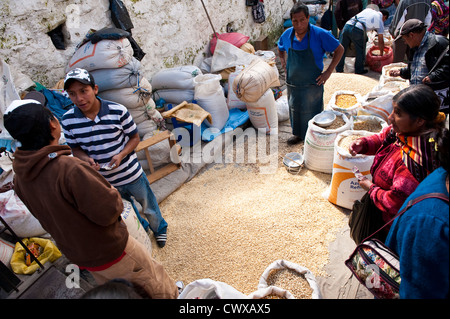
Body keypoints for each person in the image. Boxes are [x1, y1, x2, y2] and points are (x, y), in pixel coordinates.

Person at [3, 100, 178, 298]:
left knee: (119, 291)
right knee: (153, 283)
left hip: (83, 255)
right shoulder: (69, 169)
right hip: (110, 249)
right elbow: (109, 211)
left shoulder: (21, 177)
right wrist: (108, 187)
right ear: (53, 124)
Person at [60, 68, 168, 248]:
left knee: (147, 203)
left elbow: (134, 138)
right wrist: (85, 159)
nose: (79, 98)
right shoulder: (68, 120)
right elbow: (75, 149)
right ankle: (143, 229)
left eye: (83, 91)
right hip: (104, 180)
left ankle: (159, 229)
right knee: (126, 209)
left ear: (95, 89)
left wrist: (121, 155)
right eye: (72, 94)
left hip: (131, 173)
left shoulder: (117, 111)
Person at [348, 85, 446, 237]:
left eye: (398, 113)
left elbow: (394, 203)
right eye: (393, 110)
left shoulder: (414, 163)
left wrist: (371, 188)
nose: (390, 117)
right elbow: (383, 138)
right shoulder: (402, 132)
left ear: (419, 121)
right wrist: (364, 144)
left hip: (389, 225)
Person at [385, 127, 449, 299]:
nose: (390, 119)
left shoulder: (442, 172)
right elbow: (418, 291)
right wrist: (372, 190)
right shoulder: (431, 223)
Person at [278, 2, 344, 145]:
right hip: (294, 84)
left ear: (308, 18)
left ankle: (314, 137)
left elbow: (340, 49)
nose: (299, 24)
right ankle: (298, 135)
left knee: (313, 110)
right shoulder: (287, 34)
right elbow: (280, 47)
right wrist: (283, 61)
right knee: (295, 109)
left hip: (313, 83)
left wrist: (328, 72)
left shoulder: (320, 34)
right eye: (295, 21)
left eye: (302, 20)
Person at [388, 19, 449, 112]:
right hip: (419, 98)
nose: (405, 42)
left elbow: (447, 67)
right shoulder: (414, 47)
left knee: (434, 124)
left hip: (435, 98)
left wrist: (433, 77)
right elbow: (414, 69)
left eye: (405, 39)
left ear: (412, 35)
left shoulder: (439, 43)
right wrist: (401, 72)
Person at [335, 5, 389, 74]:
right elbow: (381, 40)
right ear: (384, 16)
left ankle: (339, 69)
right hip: (357, 29)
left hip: (347, 25)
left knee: (342, 49)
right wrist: (381, 54)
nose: (384, 21)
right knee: (360, 51)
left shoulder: (369, 10)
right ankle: (359, 70)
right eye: (384, 20)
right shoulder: (380, 20)